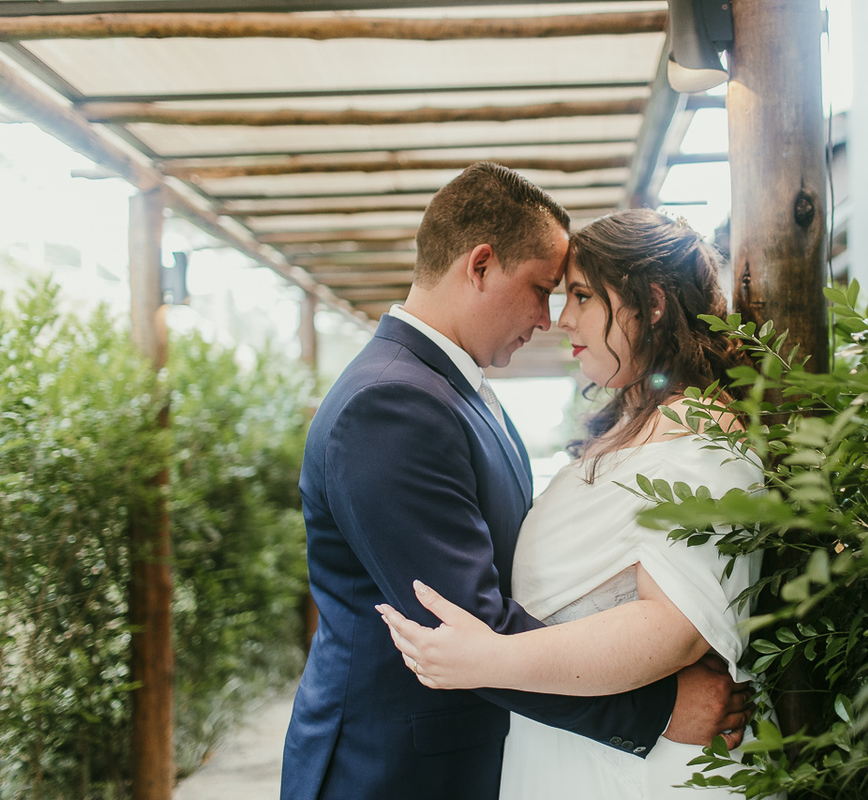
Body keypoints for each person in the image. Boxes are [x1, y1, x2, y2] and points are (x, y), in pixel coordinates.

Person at [280, 166, 750, 800]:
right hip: (395, 768)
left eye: (575, 296)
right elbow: (461, 626)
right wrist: (657, 709)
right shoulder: (390, 404)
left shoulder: (453, 390)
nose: (550, 318)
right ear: (479, 266)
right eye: (543, 289)